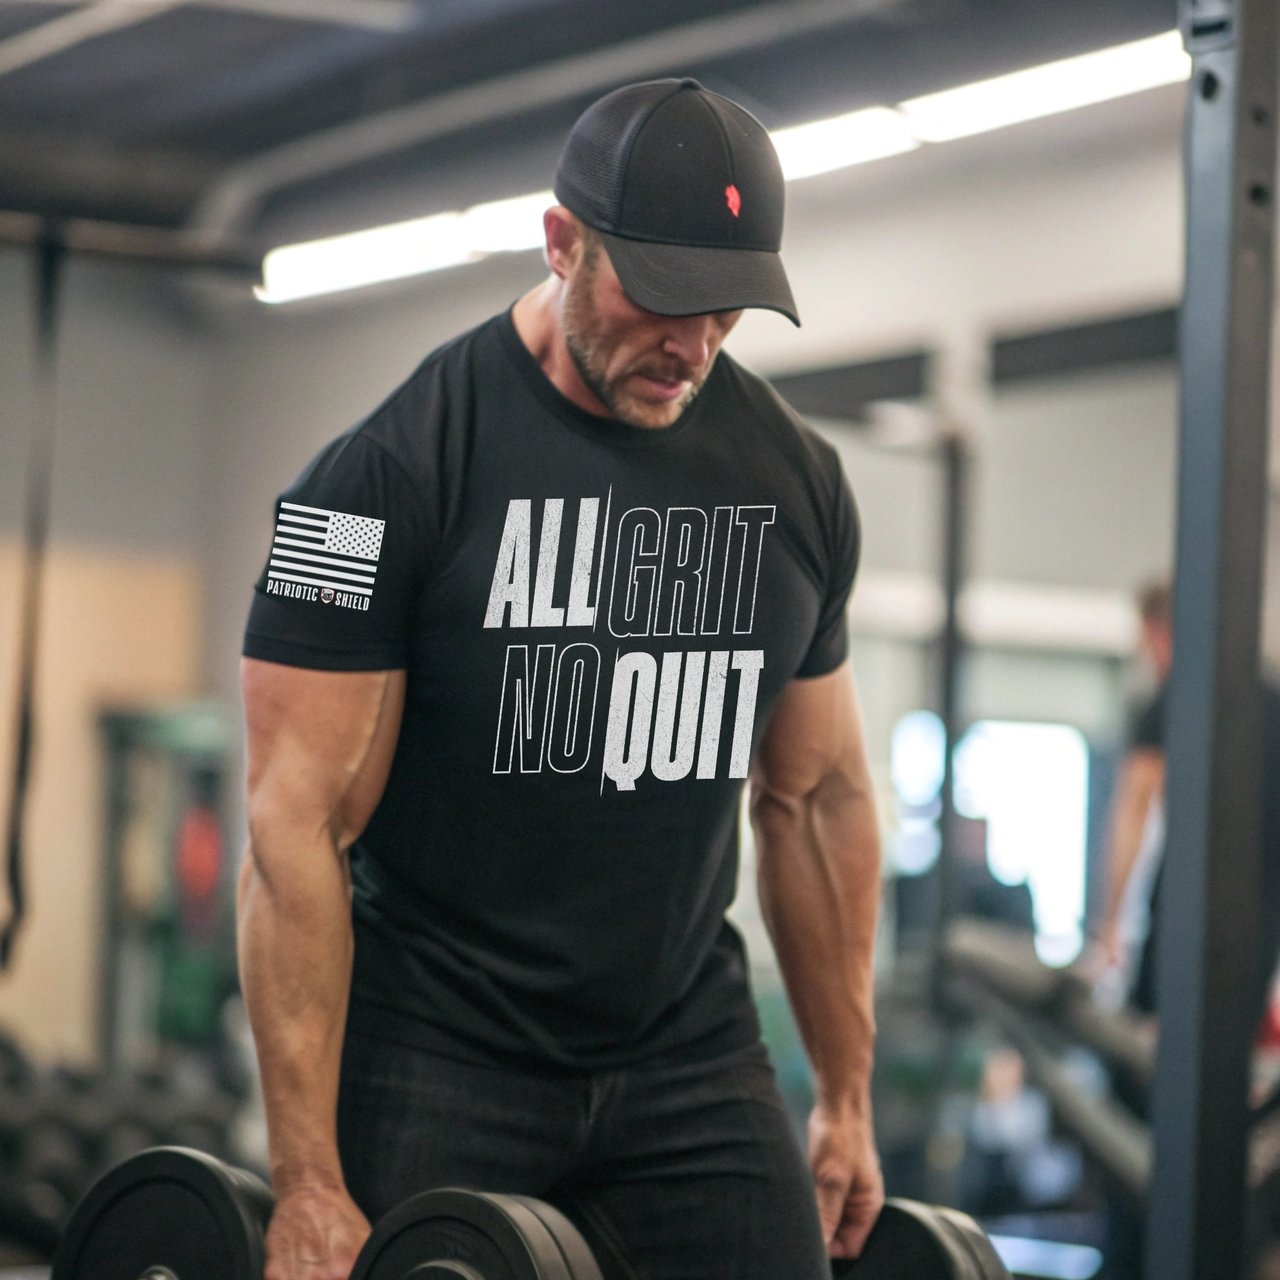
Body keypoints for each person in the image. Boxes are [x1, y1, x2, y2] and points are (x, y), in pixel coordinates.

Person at [238, 78, 884, 1280]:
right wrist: (307, 1179)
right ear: (559, 242)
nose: (691, 346)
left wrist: (846, 1095)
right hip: (438, 1043)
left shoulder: (796, 483)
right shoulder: (371, 482)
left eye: (728, 309)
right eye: (661, 298)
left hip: (684, 1045)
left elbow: (816, 799)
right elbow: (294, 829)